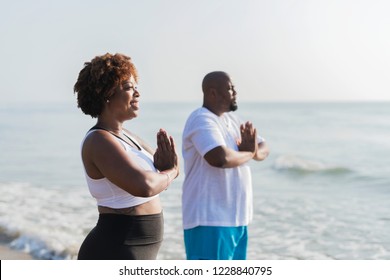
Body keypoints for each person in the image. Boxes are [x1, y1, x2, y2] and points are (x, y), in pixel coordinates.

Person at [73, 53, 179, 260]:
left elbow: (162, 173)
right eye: (129, 87)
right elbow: (146, 186)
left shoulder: (126, 136)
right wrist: (171, 172)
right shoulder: (99, 140)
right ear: (107, 93)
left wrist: (167, 171)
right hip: (115, 249)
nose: (137, 93)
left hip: (136, 249)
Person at [181, 71, 269, 260]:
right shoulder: (201, 119)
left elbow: (264, 147)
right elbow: (219, 158)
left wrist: (252, 151)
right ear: (212, 93)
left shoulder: (231, 120)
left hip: (237, 220)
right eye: (230, 88)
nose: (235, 92)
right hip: (209, 221)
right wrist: (249, 152)